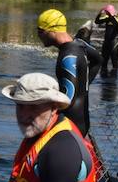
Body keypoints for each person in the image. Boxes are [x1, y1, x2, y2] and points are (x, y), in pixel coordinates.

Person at [36, 9, 102, 137]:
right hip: (81, 119)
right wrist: (84, 85)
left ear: (52, 30)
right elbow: (98, 60)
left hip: (70, 126)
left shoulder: (68, 56)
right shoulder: (79, 44)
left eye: (40, 31)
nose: (38, 35)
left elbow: (67, 99)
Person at [94, 4, 118, 78]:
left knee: (115, 64)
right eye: (106, 12)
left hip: (114, 42)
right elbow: (97, 21)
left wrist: (114, 16)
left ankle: (113, 81)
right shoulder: (107, 18)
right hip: (106, 42)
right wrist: (100, 14)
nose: (106, 13)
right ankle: (104, 80)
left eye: (107, 12)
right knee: (103, 63)